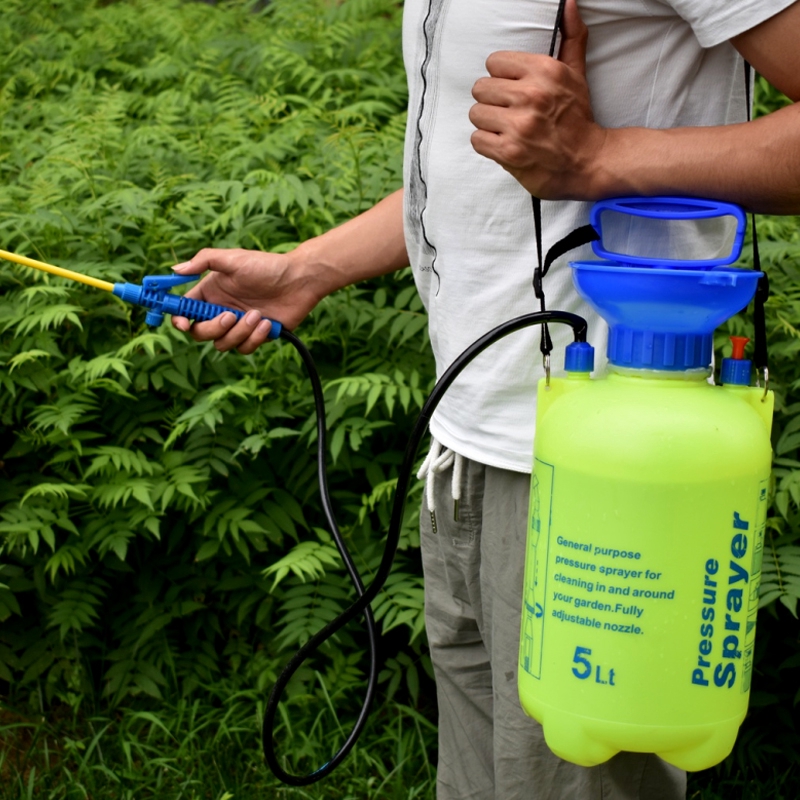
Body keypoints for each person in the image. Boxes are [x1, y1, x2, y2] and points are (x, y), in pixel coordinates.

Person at [171, 0, 800, 797]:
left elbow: (572, 162)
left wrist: (604, 156)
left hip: (603, 462)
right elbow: (481, 177)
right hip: (465, 447)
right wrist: (311, 269)